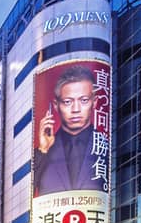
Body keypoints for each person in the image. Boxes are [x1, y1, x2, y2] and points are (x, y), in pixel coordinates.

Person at [32, 65, 105, 194]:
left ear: (94, 102)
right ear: (56, 105)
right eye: (67, 102)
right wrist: (43, 150)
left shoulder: (105, 148)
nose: (76, 109)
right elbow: (25, 192)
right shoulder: (44, 151)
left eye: (83, 100)